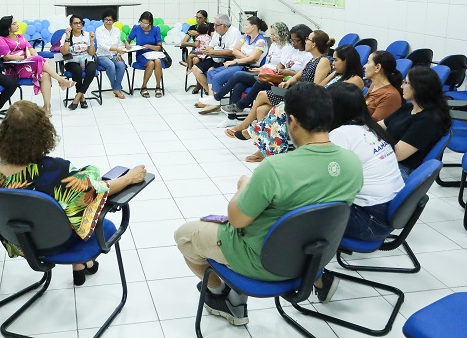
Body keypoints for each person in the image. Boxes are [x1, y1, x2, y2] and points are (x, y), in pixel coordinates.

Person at [174, 83, 362, 326]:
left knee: (185, 236)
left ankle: (224, 298)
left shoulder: (276, 168)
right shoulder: (352, 163)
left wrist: (243, 188)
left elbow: (237, 219)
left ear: (292, 121)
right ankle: (317, 280)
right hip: (315, 257)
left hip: (265, 261)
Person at [0, 101, 147, 286]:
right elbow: (99, 190)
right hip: (56, 243)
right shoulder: (59, 171)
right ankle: (81, 261)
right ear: (44, 134)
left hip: (14, 238)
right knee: (86, 197)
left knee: (75, 192)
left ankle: (81, 264)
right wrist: (129, 178)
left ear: (4, 132)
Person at [315, 82, 405, 303]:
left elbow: (322, 180)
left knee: (301, 218)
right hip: (387, 213)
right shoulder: (371, 128)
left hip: (370, 222)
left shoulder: (342, 135)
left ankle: (316, 278)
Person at [243, 44, 365, 163]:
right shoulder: (337, 74)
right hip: (320, 105)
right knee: (280, 108)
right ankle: (268, 147)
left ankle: (260, 139)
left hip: (329, 112)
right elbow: (320, 88)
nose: (333, 63)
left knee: (283, 109)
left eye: (336, 60)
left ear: (346, 61)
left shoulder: (355, 80)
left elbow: (340, 101)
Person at [226, 30, 334, 141]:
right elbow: (298, 76)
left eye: (308, 39)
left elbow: (316, 87)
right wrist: (288, 82)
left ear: (314, 44)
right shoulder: (313, 59)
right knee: (261, 110)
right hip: (298, 93)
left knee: (262, 94)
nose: (305, 41)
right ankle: (263, 145)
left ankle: (245, 126)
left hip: (305, 99)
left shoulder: (323, 61)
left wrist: (296, 89)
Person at [216, 23, 311, 119]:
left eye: (296, 40)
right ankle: (232, 116)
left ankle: (222, 100)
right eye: (292, 40)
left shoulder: (305, 54)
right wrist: (278, 69)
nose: (293, 43)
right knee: (239, 84)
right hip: (275, 75)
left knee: (240, 76)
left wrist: (287, 72)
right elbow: (280, 64)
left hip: (286, 82)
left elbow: (304, 75)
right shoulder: (293, 50)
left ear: (305, 40)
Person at [0, 16, 74, 117]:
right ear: (7, 27)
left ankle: (47, 107)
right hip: (14, 68)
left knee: (45, 74)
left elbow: (30, 48)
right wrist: (24, 57)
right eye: (14, 24)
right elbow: (7, 56)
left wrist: (35, 58)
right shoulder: (1, 40)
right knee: (39, 60)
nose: (17, 25)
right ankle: (61, 80)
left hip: (27, 65)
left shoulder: (20, 36)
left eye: (16, 22)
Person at [380, 66, 451, 179]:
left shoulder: (428, 120)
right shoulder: (408, 108)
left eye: (406, 83)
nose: (401, 86)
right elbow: (381, 125)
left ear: (419, 88)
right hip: (389, 160)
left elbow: (398, 154)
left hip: (400, 169)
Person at [198, 16, 269, 114]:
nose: (244, 27)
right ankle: (221, 108)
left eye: (246, 25)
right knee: (211, 73)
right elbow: (235, 50)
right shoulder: (245, 37)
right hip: (241, 63)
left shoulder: (261, 41)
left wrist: (237, 61)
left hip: (249, 68)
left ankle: (216, 100)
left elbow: (253, 59)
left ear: (253, 27)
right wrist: (245, 58)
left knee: (217, 78)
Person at [190, 14, 241, 96]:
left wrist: (213, 52)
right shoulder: (217, 32)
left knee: (211, 71)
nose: (214, 27)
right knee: (195, 69)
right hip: (214, 58)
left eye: (216, 25)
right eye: (214, 25)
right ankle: (209, 92)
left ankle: (214, 95)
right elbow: (211, 46)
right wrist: (206, 49)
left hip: (228, 60)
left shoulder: (234, 32)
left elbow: (232, 52)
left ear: (224, 26)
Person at [61, 14, 97, 110]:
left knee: (92, 69)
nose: (78, 25)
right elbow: (64, 52)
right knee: (77, 70)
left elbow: (91, 53)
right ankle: (82, 97)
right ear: (71, 25)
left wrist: (92, 41)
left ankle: (78, 96)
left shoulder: (86, 35)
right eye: (75, 23)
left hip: (86, 60)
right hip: (71, 62)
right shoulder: (66, 35)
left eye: (80, 23)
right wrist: (68, 38)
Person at [126, 11, 165, 98]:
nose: (143, 25)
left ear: (150, 23)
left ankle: (158, 87)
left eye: (145, 23)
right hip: (141, 54)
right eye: (141, 22)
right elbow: (128, 40)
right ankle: (144, 87)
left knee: (158, 61)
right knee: (151, 63)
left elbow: (159, 47)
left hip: (154, 53)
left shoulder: (156, 29)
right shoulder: (136, 28)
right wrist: (127, 45)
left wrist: (149, 46)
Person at [95, 9, 128, 99]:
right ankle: (116, 88)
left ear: (114, 21)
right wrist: (116, 49)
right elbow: (101, 45)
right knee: (111, 65)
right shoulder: (99, 30)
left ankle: (116, 88)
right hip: (102, 55)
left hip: (114, 55)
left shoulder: (116, 30)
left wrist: (118, 54)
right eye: (106, 19)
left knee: (121, 65)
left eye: (110, 20)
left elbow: (119, 44)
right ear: (103, 20)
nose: (108, 22)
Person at [364, 51, 403, 121]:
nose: (364, 66)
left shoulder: (390, 95)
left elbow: (375, 125)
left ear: (377, 67)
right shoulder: (374, 85)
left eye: (368, 62)